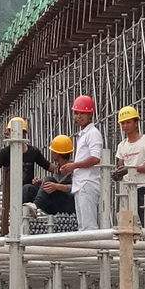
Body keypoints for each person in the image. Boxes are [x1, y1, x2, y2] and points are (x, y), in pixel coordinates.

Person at [61, 94, 106, 232]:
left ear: (90, 114)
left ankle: (93, 252)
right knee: (82, 226)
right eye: (76, 113)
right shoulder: (84, 135)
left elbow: (95, 158)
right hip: (81, 184)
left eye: (83, 113)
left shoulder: (93, 133)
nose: (79, 116)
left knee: (88, 226)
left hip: (87, 183)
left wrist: (74, 165)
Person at [111, 105, 145, 223]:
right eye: (122, 123)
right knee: (127, 226)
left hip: (142, 189)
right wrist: (117, 175)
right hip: (126, 192)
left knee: (144, 224)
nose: (125, 126)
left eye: (128, 122)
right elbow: (120, 167)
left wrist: (130, 169)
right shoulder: (121, 146)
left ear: (136, 123)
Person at [36, 136, 78, 227]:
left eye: (52, 151)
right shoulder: (57, 168)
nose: (51, 153)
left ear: (57, 153)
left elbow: (77, 188)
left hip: (70, 205)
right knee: (29, 188)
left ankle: (35, 208)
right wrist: (41, 183)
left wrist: (56, 186)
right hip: (58, 203)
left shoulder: (74, 168)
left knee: (49, 180)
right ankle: (26, 211)